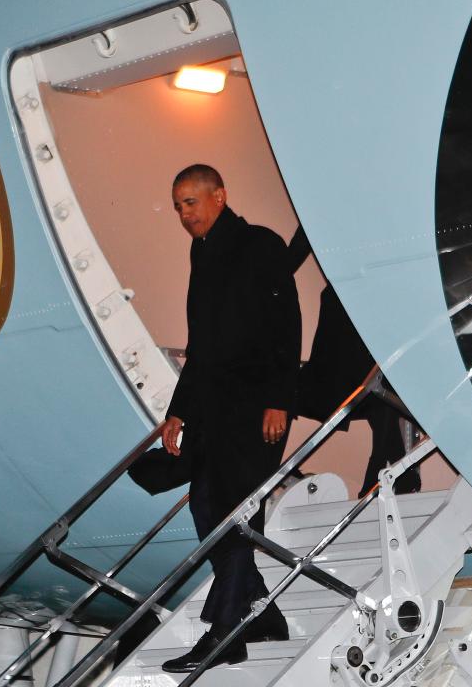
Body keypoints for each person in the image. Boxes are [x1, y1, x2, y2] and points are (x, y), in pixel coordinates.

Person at [160, 164, 301, 673]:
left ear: (219, 195)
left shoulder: (260, 245)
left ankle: (226, 631)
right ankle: (262, 612)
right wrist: (178, 409)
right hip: (213, 409)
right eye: (178, 206)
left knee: (237, 516)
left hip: (256, 408)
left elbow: (288, 325)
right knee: (206, 509)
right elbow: (203, 345)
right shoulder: (201, 252)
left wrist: (279, 399)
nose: (184, 214)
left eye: (190, 202)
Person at [287, 226, 421, 497]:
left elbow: (294, 255)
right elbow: (293, 255)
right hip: (350, 308)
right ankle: (396, 475)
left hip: (363, 305)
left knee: (377, 390)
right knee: (375, 391)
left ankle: (385, 475)